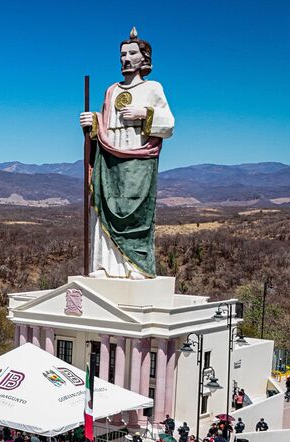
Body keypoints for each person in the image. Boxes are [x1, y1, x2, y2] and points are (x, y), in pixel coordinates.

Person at [77, 27, 174, 279]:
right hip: (109, 157)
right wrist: (92, 122)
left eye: (132, 53)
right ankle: (105, 266)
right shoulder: (112, 91)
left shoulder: (152, 88)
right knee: (104, 205)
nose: (125, 59)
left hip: (138, 155)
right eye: (122, 54)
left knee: (135, 210)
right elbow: (103, 126)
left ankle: (135, 266)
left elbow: (169, 124)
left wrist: (144, 114)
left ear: (144, 58)